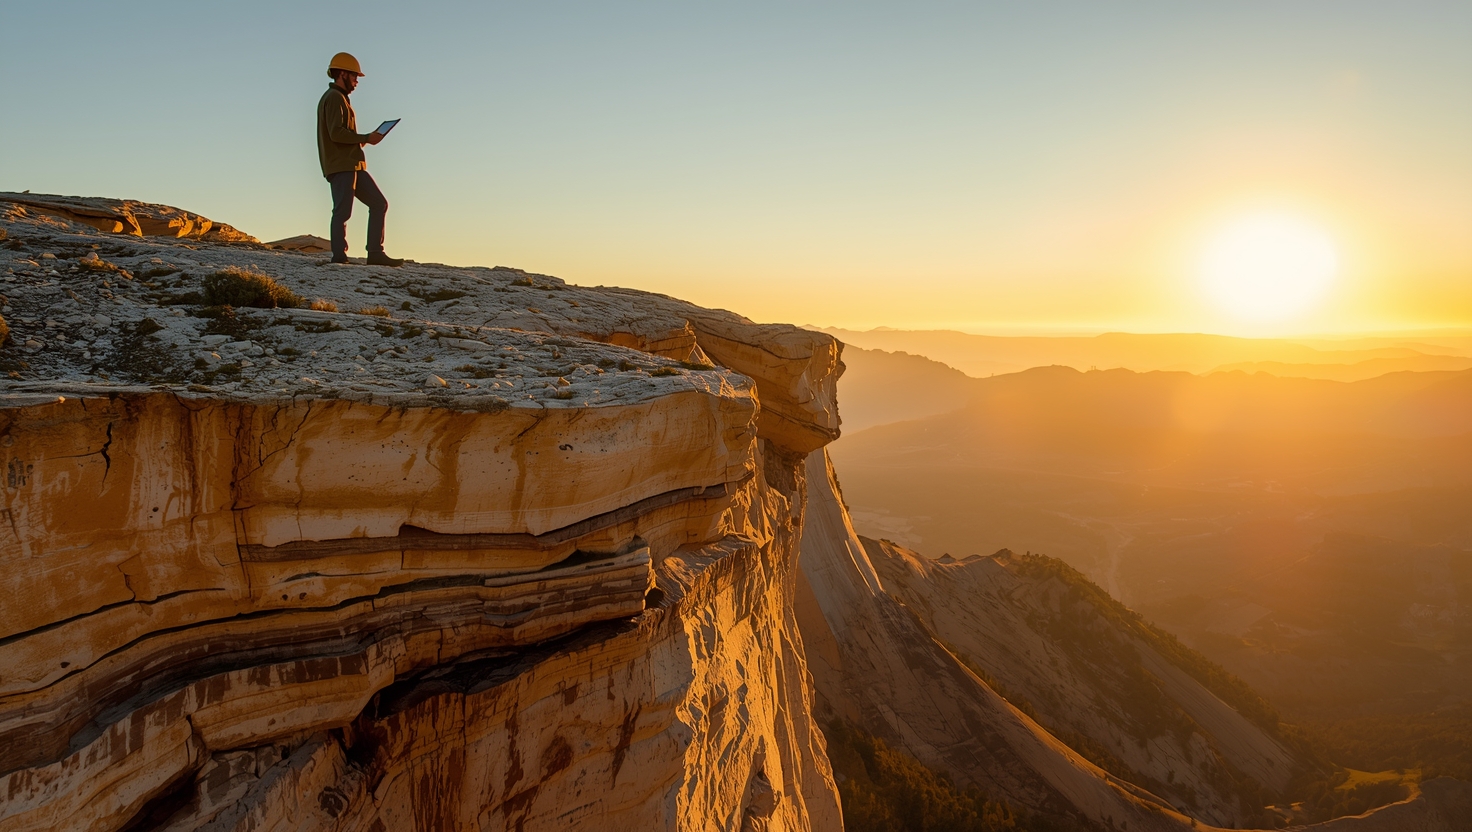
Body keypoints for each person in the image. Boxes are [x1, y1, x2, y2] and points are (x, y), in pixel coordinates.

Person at [317, 52, 403, 267]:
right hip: (341, 164)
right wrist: (366, 137)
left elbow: (341, 134)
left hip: (353, 163)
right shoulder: (334, 98)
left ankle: (375, 253)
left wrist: (365, 140)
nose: (357, 82)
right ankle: (339, 257)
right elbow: (336, 133)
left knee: (379, 203)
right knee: (342, 211)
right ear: (343, 74)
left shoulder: (340, 99)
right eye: (355, 77)